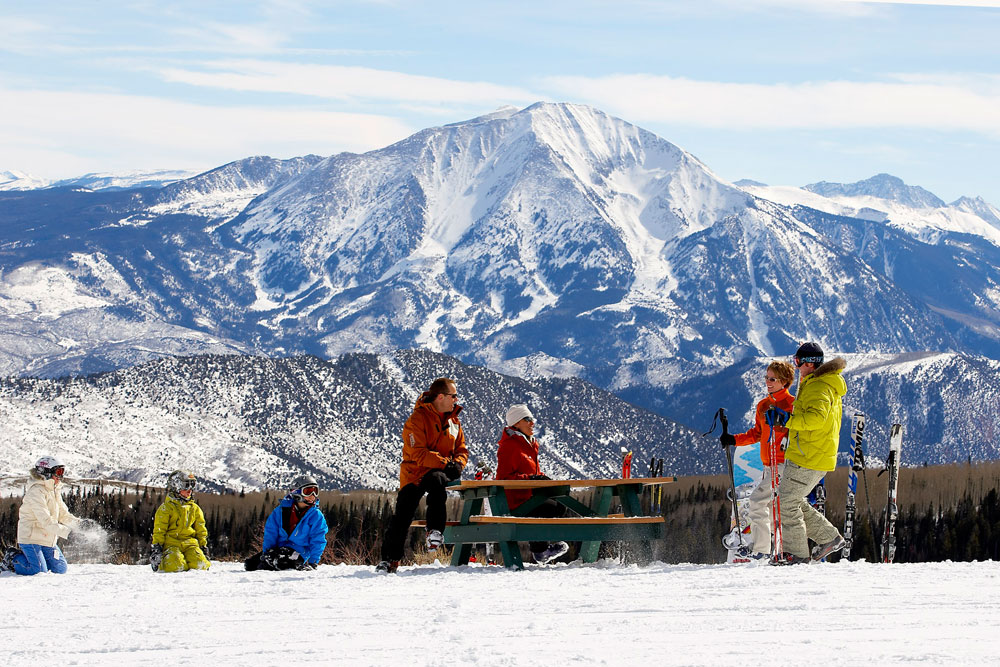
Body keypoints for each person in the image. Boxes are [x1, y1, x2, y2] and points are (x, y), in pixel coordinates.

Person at [376, 377, 468, 573]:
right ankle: (389, 559)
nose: (456, 400)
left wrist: (458, 465)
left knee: (437, 482)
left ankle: (435, 531)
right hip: (414, 472)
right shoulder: (417, 419)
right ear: (441, 396)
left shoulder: (454, 421)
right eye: (453, 396)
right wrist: (446, 463)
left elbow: (462, 449)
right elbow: (417, 452)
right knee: (403, 514)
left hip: (437, 472)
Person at [775, 342, 848, 564]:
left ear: (809, 363)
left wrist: (788, 421)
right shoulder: (819, 383)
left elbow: (816, 419)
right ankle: (828, 538)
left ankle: (796, 555)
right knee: (793, 501)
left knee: (787, 503)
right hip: (811, 453)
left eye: (797, 362)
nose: (796, 367)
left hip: (809, 456)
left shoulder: (819, 387)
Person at [721, 360, 796, 558]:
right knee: (770, 509)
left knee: (757, 502)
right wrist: (734, 439)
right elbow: (756, 433)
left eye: (773, 379)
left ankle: (762, 549)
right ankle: (776, 548)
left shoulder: (792, 405)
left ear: (785, 381)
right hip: (767, 465)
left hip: (782, 465)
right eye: (766, 378)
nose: (768, 382)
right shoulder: (763, 405)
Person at [496, 404, 569, 565]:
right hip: (515, 502)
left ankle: (541, 550)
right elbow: (504, 478)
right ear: (516, 424)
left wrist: (543, 479)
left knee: (560, 504)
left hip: (529, 498)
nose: (532, 423)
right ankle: (540, 551)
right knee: (550, 507)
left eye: (532, 419)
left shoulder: (529, 445)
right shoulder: (509, 446)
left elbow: (533, 471)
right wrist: (532, 479)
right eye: (527, 419)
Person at [1, 456, 80, 576]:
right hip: (31, 538)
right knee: (37, 570)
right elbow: (46, 521)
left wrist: (79, 524)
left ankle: (37, 559)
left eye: (62, 472)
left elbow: (63, 514)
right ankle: (12, 558)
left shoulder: (53, 490)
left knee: (60, 569)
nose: (61, 476)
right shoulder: (36, 492)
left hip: (47, 538)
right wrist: (67, 532)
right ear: (46, 473)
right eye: (58, 472)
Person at [245, 475, 329, 571]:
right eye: (308, 491)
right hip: (279, 549)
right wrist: (266, 553)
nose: (313, 495)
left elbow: (318, 540)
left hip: (299, 552)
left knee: (278, 563)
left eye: (315, 491)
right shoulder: (280, 511)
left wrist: (313, 562)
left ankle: (295, 566)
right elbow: (271, 533)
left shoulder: (316, 516)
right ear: (297, 493)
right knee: (251, 565)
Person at [150, 470, 210, 573]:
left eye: (192, 486)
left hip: (191, 544)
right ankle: (165, 563)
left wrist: (203, 547)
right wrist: (157, 549)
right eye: (186, 486)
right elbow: (159, 530)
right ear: (176, 487)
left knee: (200, 565)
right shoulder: (166, 508)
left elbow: (201, 530)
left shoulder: (194, 509)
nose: (189, 490)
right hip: (171, 544)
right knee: (175, 565)